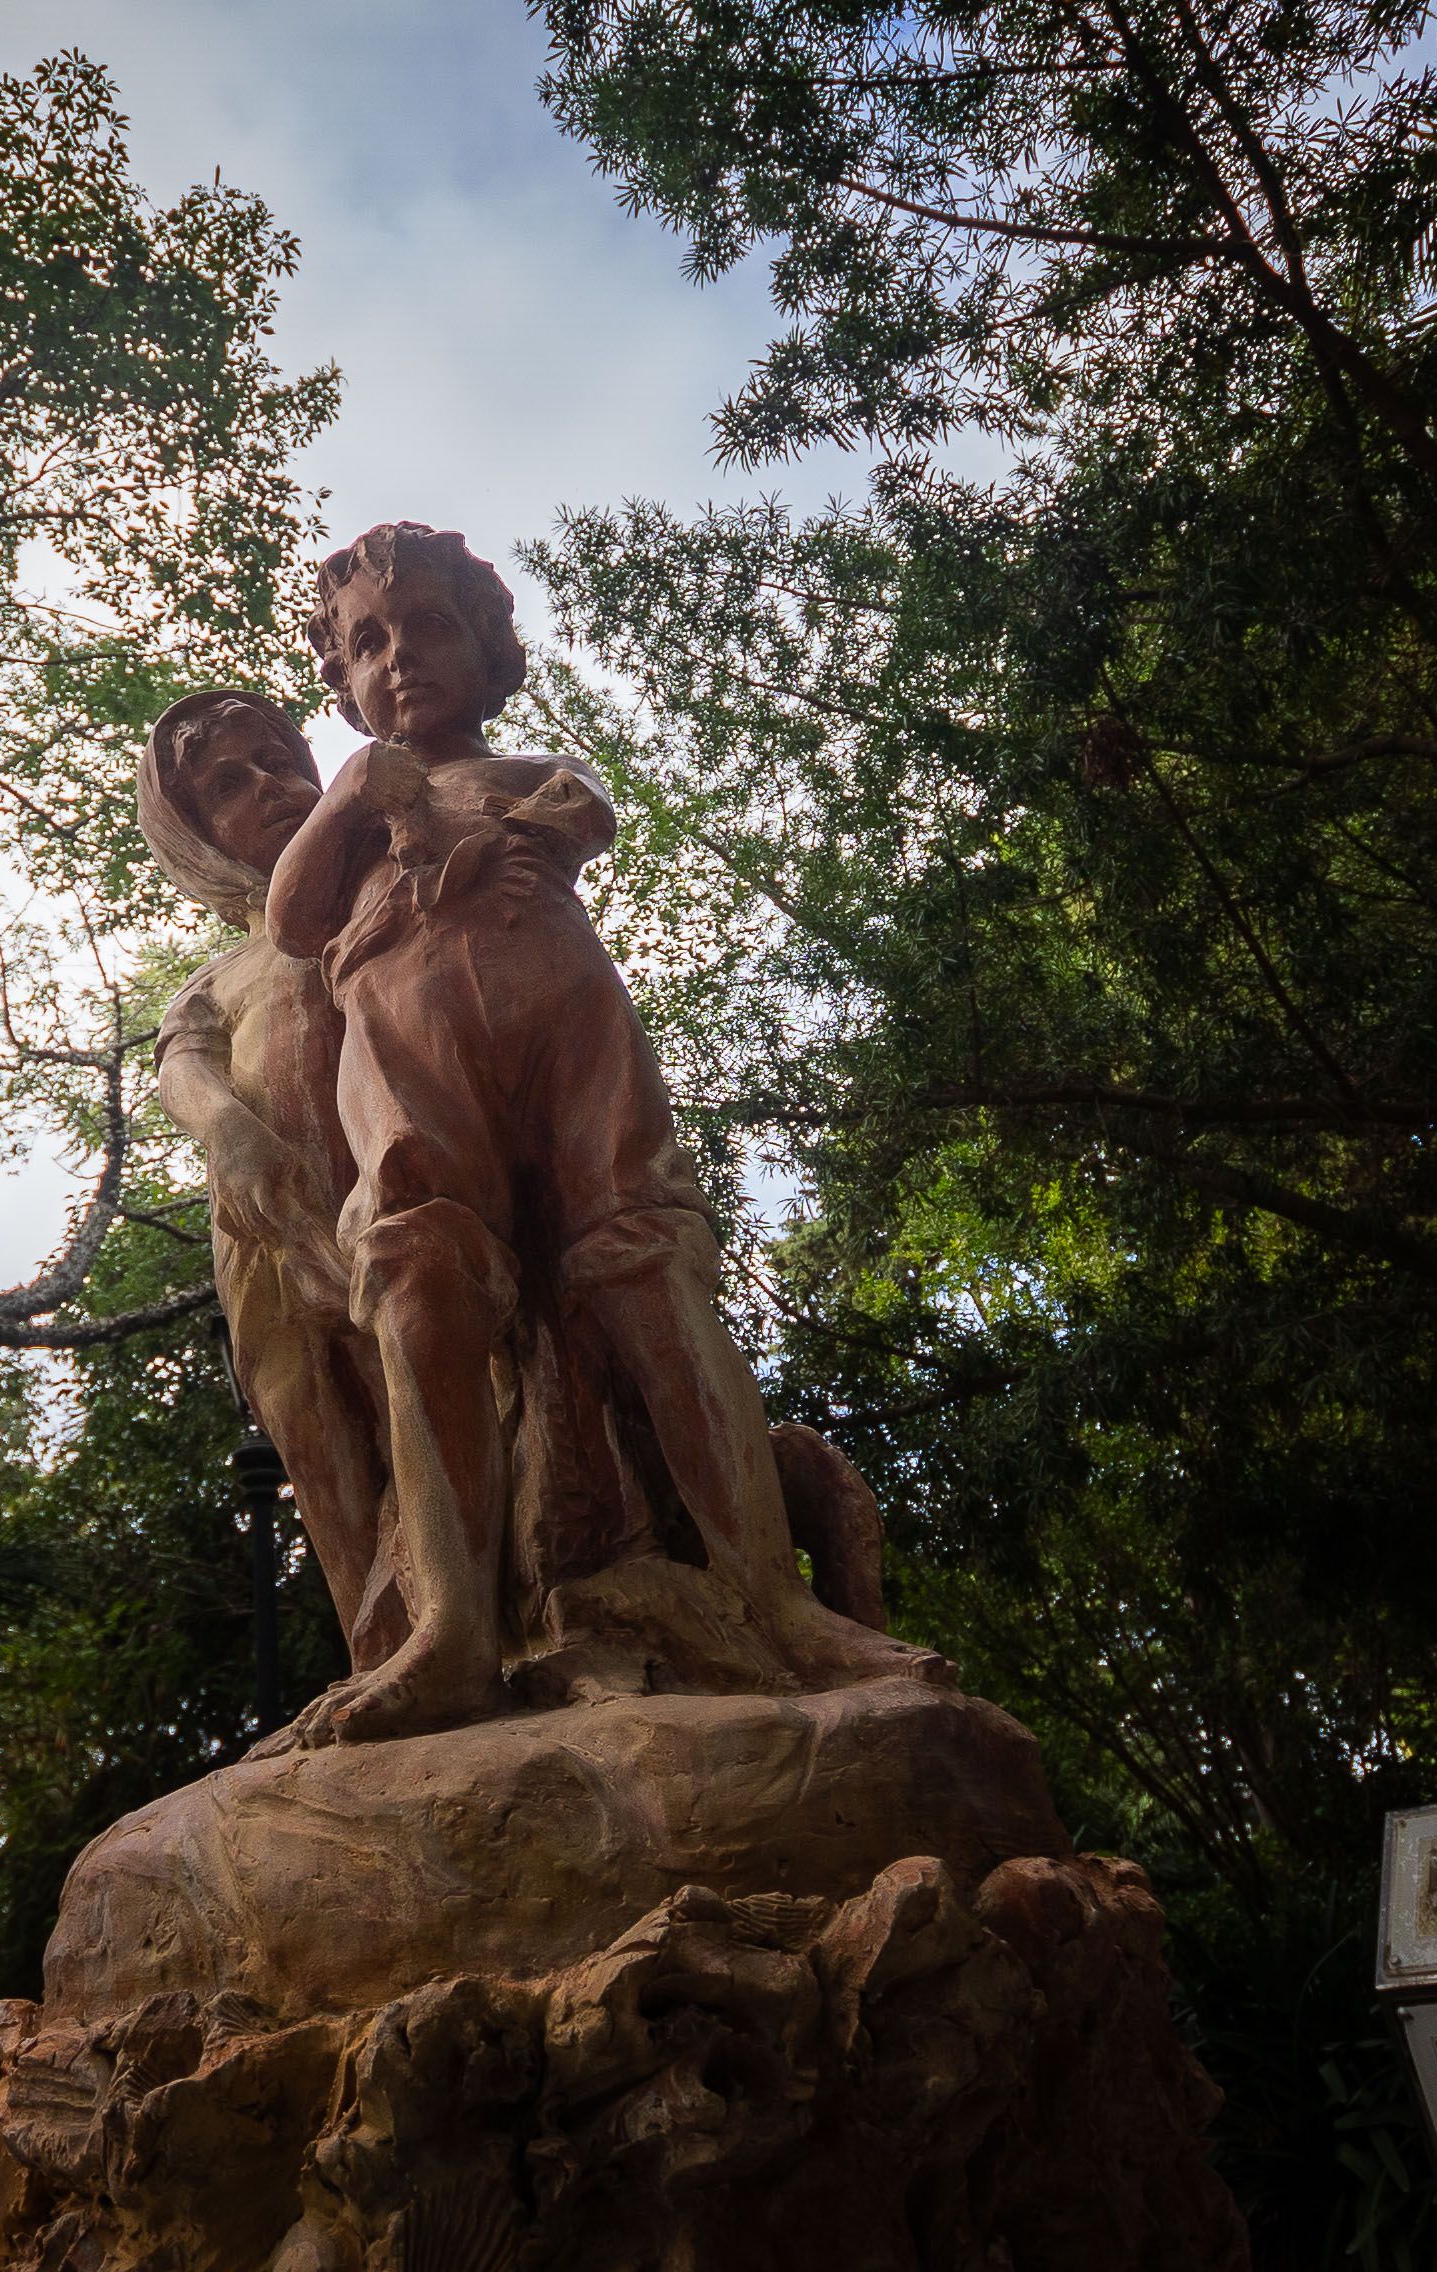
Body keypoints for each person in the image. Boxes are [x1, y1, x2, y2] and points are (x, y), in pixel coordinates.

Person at [266, 521, 937, 1744]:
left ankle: (776, 1606)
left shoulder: (520, 767)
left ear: (488, 648)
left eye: (430, 626)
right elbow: (293, 920)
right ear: (343, 682)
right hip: (409, 1051)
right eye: (368, 642)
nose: (401, 656)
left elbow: (586, 808)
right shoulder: (356, 807)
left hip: (571, 1036)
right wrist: (358, 795)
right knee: (419, 1272)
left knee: (645, 1259)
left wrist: (511, 839)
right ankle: (453, 1633)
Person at [141, 689, 404, 1668]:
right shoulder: (218, 980)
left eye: (279, 760)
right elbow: (185, 1069)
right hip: (267, 1229)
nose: (270, 786)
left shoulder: (388, 901)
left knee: (445, 1401)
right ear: (195, 838)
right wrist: (230, 1132)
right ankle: (382, 1656)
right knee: (320, 1440)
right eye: (227, 784)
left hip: (402, 1201)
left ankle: (498, 1622)